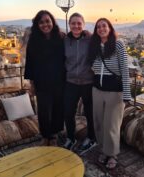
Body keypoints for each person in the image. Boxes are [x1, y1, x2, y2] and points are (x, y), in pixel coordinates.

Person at [88, 18, 131, 169]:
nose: (101, 29)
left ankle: (112, 154)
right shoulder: (94, 45)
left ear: (110, 28)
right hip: (97, 89)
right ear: (96, 30)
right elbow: (93, 65)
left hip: (114, 91)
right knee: (98, 122)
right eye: (98, 27)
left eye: (104, 26)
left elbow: (125, 70)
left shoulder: (118, 44)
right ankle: (104, 150)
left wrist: (127, 94)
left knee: (111, 124)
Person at [24, 10, 65, 146]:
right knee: (43, 109)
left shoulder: (61, 37)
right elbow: (29, 62)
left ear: (52, 22)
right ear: (37, 24)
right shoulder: (33, 40)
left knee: (58, 107)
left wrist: (86, 33)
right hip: (41, 81)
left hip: (59, 80)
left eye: (47, 21)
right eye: (41, 22)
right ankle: (45, 134)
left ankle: (54, 134)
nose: (45, 24)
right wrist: (31, 83)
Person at [63, 12, 96, 153]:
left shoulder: (90, 39)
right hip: (71, 82)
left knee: (90, 112)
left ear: (83, 25)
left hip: (88, 82)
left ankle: (91, 138)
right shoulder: (64, 41)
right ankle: (71, 138)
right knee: (68, 112)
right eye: (73, 23)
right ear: (69, 25)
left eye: (79, 23)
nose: (76, 26)